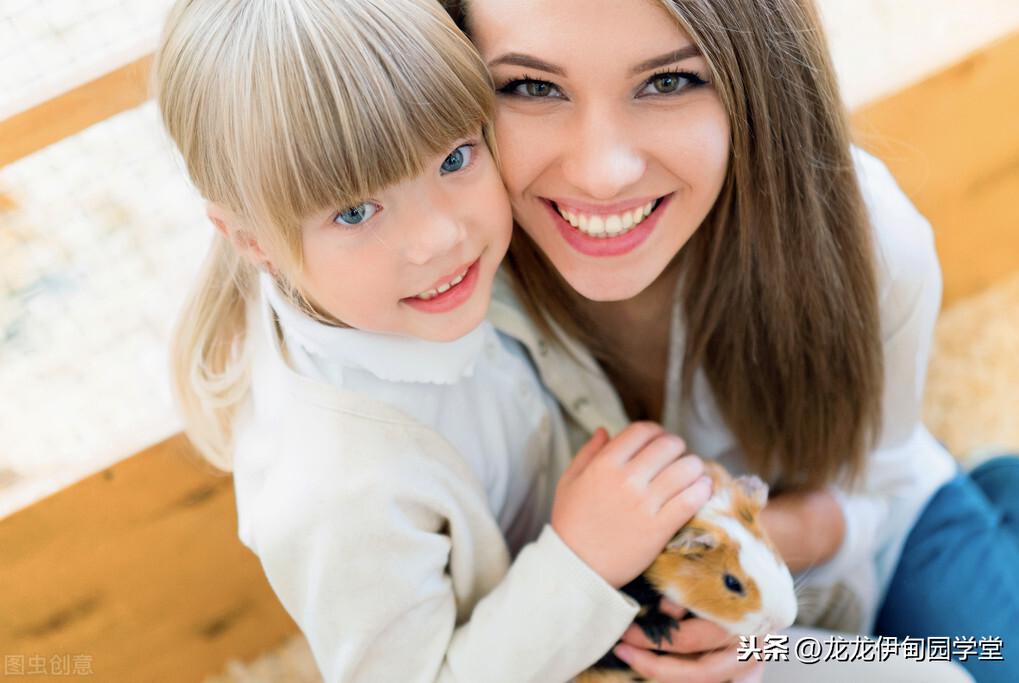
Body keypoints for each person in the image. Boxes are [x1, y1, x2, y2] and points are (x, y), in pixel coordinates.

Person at [443, 0, 1019, 680]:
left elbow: (881, 483)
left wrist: (729, 560)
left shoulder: (872, 240)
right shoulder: (427, 303)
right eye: (532, 86)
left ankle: (991, 494)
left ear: (758, 75)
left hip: (871, 531)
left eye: (667, 81)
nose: (602, 173)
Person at [154, 0, 724, 681]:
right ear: (251, 240)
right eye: (356, 211)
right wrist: (580, 560)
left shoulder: (444, 270)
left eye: (455, 157)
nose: (439, 237)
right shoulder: (332, 492)